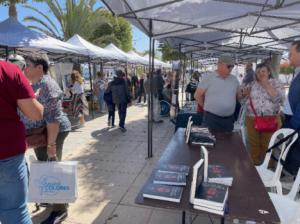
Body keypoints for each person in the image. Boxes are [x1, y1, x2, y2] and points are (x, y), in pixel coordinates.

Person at [20, 53, 72, 224]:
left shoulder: (48, 85)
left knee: (51, 168)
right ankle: (54, 199)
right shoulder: (36, 83)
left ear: (39, 68)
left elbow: (53, 119)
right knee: (44, 168)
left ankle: (60, 209)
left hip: (51, 132)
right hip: (40, 132)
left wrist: (51, 144)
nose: (24, 67)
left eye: (27, 65)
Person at [0, 60, 43, 224]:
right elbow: (35, 113)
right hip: (7, 153)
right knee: (15, 212)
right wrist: (33, 99)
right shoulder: (8, 70)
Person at [239, 63, 284, 165]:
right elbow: (243, 102)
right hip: (252, 118)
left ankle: (267, 167)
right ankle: (255, 166)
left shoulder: (276, 83)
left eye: (263, 71)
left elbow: (279, 99)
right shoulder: (252, 84)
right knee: (253, 144)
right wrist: (243, 95)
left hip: (270, 119)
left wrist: (266, 84)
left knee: (268, 145)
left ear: (269, 72)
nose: (260, 74)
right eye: (258, 72)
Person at [194, 55, 239, 132]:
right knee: (208, 142)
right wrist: (206, 107)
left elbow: (237, 96)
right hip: (211, 119)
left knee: (227, 143)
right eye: (229, 66)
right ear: (219, 65)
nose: (231, 69)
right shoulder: (208, 77)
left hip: (228, 120)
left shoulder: (234, 79)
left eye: (232, 66)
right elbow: (197, 95)